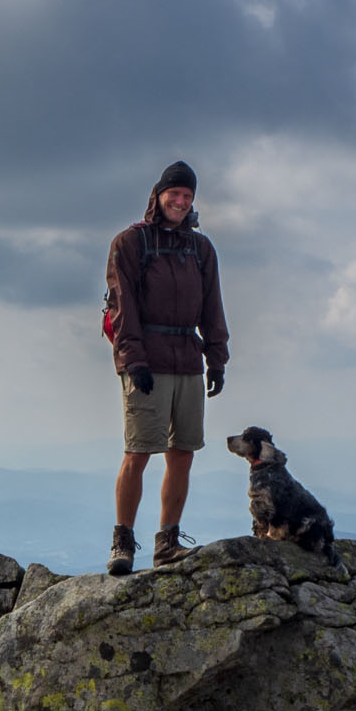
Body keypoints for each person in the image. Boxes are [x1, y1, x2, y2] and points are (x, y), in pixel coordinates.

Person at [103, 159, 228, 575]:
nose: (180, 201)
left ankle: (167, 543)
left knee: (183, 454)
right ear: (158, 196)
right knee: (138, 452)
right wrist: (133, 360)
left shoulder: (201, 248)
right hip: (146, 362)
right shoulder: (131, 243)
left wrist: (217, 358)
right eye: (174, 194)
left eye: (188, 196)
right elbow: (123, 309)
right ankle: (123, 542)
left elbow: (213, 308)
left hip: (188, 360)